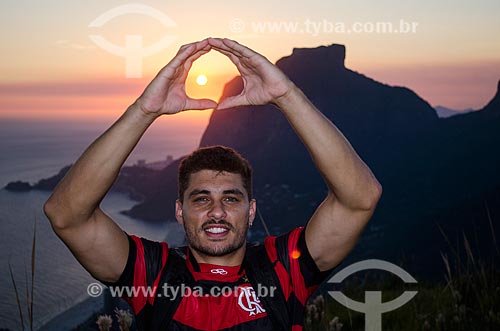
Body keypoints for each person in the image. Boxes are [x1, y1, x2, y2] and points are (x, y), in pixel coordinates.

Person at [44, 37, 382, 330]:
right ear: (180, 210)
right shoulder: (154, 276)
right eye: (201, 198)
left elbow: (360, 198)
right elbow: (66, 215)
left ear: (251, 211)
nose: (217, 211)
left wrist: (287, 95)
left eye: (231, 199)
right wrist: (144, 110)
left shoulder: (282, 269)